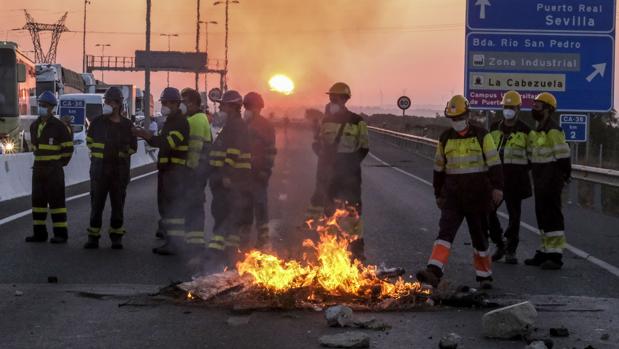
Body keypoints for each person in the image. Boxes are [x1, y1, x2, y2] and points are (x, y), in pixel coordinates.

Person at [416, 95, 503, 289]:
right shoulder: (445, 137)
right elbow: (439, 168)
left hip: (478, 195)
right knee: (445, 233)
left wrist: (497, 188)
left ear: (467, 114)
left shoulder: (482, 135)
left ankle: (484, 276)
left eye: (459, 117)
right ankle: (434, 271)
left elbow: (495, 164)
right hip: (453, 196)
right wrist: (438, 194)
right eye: (453, 119)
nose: (456, 122)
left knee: (480, 236)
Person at [308, 82, 369, 261]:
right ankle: (331, 248)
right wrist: (323, 158)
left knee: (353, 212)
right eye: (330, 97)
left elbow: (364, 148)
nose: (331, 100)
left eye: (335, 97)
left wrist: (350, 165)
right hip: (330, 174)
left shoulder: (358, 121)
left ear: (344, 99)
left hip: (350, 174)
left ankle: (357, 249)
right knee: (329, 211)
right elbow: (318, 143)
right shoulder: (325, 121)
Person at [132, 87, 190, 255]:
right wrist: (146, 136)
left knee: (173, 209)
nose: (163, 105)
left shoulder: (180, 123)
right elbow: (159, 143)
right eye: (163, 102)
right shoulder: (170, 121)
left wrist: (146, 135)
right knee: (166, 207)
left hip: (175, 172)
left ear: (175, 103)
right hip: (167, 171)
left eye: (166, 102)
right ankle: (170, 240)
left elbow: (167, 144)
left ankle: (175, 243)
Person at [83, 87, 138, 249]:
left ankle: (116, 237)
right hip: (99, 172)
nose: (106, 104)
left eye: (109, 101)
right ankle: (93, 237)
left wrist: (120, 151)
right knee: (96, 205)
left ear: (118, 104)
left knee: (118, 206)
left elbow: (133, 147)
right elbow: (90, 142)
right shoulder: (97, 122)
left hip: (119, 173)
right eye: (105, 101)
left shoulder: (127, 125)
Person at [524, 92, 571, 270]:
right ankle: (544, 251)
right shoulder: (537, 131)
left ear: (548, 109)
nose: (534, 108)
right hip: (540, 180)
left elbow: (563, 157)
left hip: (551, 180)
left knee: (553, 218)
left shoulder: (553, 130)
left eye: (538, 106)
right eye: (534, 105)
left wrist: (564, 176)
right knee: (542, 216)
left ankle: (555, 254)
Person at [206, 90, 252, 264]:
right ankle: (228, 252)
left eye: (223, 104)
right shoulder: (232, 125)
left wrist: (226, 175)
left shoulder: (236, 126)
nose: (220, 107)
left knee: (224, 213)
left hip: (232, 180)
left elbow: (232, 152)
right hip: (228, 179)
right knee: (225, 214)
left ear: (233, 107)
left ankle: (221, 252)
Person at [486, 91, 532, 264]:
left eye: (511, 107)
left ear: (518, 108)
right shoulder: (494, 128)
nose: (508, 110)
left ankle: (511, 250)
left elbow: (531, 156)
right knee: (489, 212)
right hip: (497, 180)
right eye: (506, 107)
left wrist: (521, 170)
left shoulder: (526, 131)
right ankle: (499, 243)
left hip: (516, 181)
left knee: (515, 217)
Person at [26, 91, 74, 243]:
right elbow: (34, 147)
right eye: (40, 105)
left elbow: (68, 149)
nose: (41, 107)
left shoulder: (59, 126)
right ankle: (39, 233)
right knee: (38, 203)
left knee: (57, 203)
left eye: (44, 106)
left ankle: (60, 234)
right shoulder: (34, 126)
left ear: (51, 108)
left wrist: (58, 164)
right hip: (38, 169)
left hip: (54, 171)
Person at [242, 92, 277, 249]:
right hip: (244, 174)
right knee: (244, 207)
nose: (247, 110)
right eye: (246, 107)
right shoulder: (244, 124)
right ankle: (243, 242)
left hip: (258, 174)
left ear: (259, 108)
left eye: (250, 107)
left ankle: (263, 241)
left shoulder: (265, 126)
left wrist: (266, 171)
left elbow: (271, 151)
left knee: (260, 207)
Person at [181, 88, 213, 248]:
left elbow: (194, 148)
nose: (182, 105)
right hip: (200, 170)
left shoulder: (196, 120)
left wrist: (189, 170)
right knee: (194, 203)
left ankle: (195, 240)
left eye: (184, 102)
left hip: (195, 171)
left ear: (192, 103)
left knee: (194, 203)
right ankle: (193, 238)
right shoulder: (200, 118)